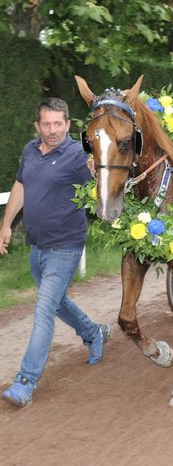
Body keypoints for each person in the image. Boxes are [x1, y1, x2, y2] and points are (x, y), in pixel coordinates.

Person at [0, 98, 111, 407]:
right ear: (38, 125)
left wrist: (96, 166)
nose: (52, 130)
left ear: (68, 124)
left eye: (58, 124)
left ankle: (25, 381)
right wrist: (6, 225)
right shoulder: (30, 150)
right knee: (58, 302)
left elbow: (101, 174)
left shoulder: (77, 155)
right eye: (46, 124)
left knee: (44, 310)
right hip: (37, 245)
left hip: (66, 245)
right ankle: (93, 332)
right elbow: (20, 186)